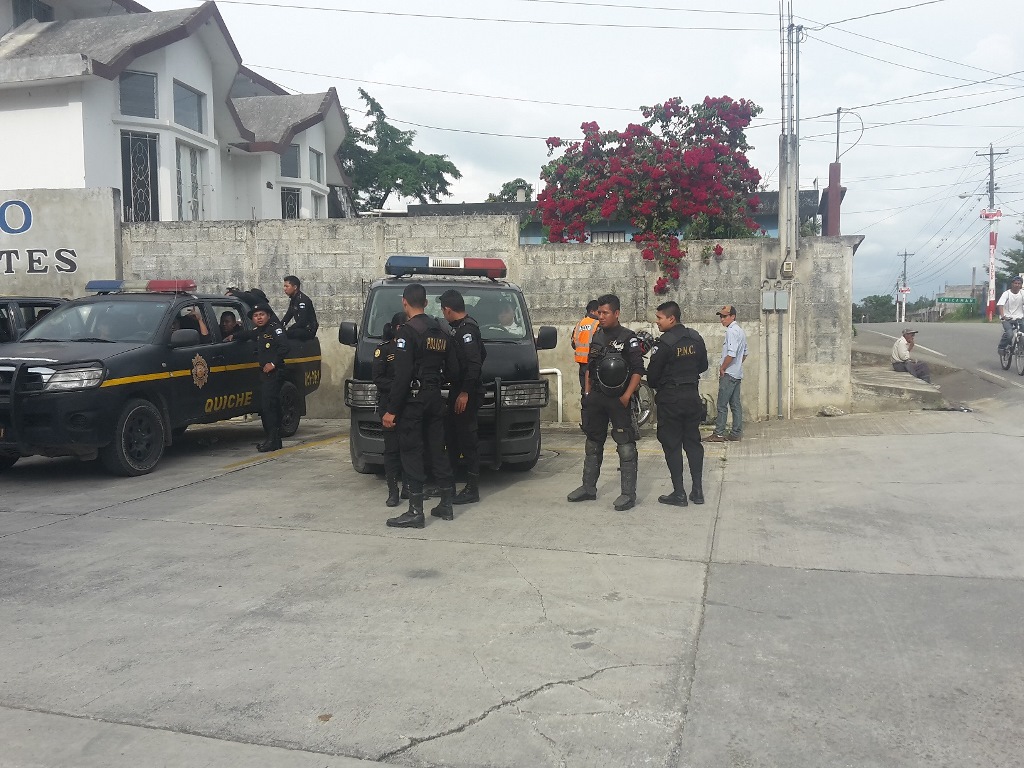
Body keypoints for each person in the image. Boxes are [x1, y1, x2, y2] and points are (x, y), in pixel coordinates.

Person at [384, 283, 455, 529]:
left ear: (404, 303)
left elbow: (402, 375)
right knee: (437, 448)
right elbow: (453, 367)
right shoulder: (440, 330)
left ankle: (415, 511)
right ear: (426, 303)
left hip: (413, 400)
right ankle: (446, 503)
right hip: (435, 396)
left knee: (411, 451)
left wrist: (392, 409)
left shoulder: (406, 332)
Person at [567, 293, 645, 511]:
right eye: (599, 312)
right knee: (593, 442)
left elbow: (638, 370)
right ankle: (588, 488)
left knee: (625, 446)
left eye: (605, 313)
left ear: (616, 313)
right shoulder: (597, 336)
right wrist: (588, 393)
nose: (600, 316)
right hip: (597, 399)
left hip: (618, 399)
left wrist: (627, 396)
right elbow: (589, 368)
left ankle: (628, 494)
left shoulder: (628, 337)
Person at [646, 301, 709, 506]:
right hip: (692, 397)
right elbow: (703, 365)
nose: (657, 322)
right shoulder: (696, 338)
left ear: (671, 318)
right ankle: (698, 491)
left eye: (659, 318)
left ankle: (679, 493)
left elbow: (653, 379)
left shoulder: (664, 344)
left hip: (671, 400)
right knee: (693, 443)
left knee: (672, 445)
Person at [440, 289, 487, 506]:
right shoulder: (460, 328)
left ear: (448, 310)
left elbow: (475, 363)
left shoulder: (466, 331)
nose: (443, 314)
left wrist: (465, 392)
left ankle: (472, 488)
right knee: (452, 437)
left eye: (443, 311)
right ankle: (447, 484)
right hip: (458, 390)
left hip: (465, 393)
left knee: (467, 440)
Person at [231, 303, 290, 452]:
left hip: (273, 373)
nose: (259, 318)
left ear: (268, 316)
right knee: (270, 406)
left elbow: (285, 347)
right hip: (265, 374)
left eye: (261, 314)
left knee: (268, 406)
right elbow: (248, 334)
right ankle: (275, 440)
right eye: (256, 316)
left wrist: (273, 363)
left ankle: (272, 440)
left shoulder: (275, 328)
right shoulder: (260, 331)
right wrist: (233, 335)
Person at [373, 312, 406, 507]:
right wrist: (398, 386)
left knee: (409, 449)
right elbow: (378, 378)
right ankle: (393, 491)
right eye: (401, 326)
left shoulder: (413, 347)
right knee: (392, 450)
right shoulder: (384, 350)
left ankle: (408, 489)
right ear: (394, 328)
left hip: (409, 405)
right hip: (389, 405)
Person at [705, 305, 748, 443]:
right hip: (736, 373)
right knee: (735, 404)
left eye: (725, 316)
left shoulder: (731, 331)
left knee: (722, 405)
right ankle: (736, 432)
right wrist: (737, 365)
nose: (722, 319)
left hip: (729, 373)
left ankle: (718, 433)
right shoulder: (740, 331)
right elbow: (745, 353)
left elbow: (731, 353)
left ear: (732, 316)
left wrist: (723, 368)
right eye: (721, 316)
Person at [571, 300, 600, 390]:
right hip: (593, 363)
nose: (601, 315)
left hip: (581, 363)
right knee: (595, 390)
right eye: (599, 312)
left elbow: (573, 343)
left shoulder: (579, 324)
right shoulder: (597, 323)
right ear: (592, 311)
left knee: (584, 389)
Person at [281, 275, 319, 340]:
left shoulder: (302, 300)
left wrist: (289, 328)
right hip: (300, 328)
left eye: (287, 286)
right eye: (284, 286)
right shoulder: (293, 299)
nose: (285, 289)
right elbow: (288, 315)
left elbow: (302, 321)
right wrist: (279, 326)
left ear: (295, 287)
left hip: (308, 330)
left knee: (288, 334)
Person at [997, 275, 1024, 351]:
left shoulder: (1022, 293)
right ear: (1012, 284)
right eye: (1015, 283)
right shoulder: (1007, 293)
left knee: (1022, 334)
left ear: (1021, 285)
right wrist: (1003, 317)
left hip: (1019, 317)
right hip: (1007, 317)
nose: (1017, 285)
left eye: (1019, 283)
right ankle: (1001, 347)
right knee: (1010, 334)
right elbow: (1000, 305)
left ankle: (1021, 348)